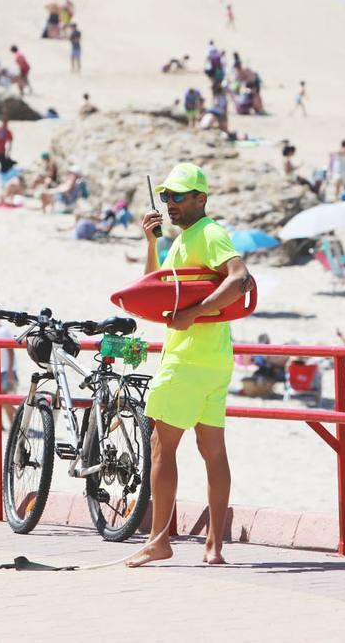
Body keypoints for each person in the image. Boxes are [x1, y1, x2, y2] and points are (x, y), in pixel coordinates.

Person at [127, 163, 252, 568]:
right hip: (214, 361)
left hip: (186, 359)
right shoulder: (183, 242)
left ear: (202, 197)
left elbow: (240, 278)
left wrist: (193, 313)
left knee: (162, 446)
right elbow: (154, 291)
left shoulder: (209, 233)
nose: (170, 204)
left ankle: (158, 540)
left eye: (178, 196)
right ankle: (214, 547)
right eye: (166, 197)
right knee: (212, 451)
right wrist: (151, 243)